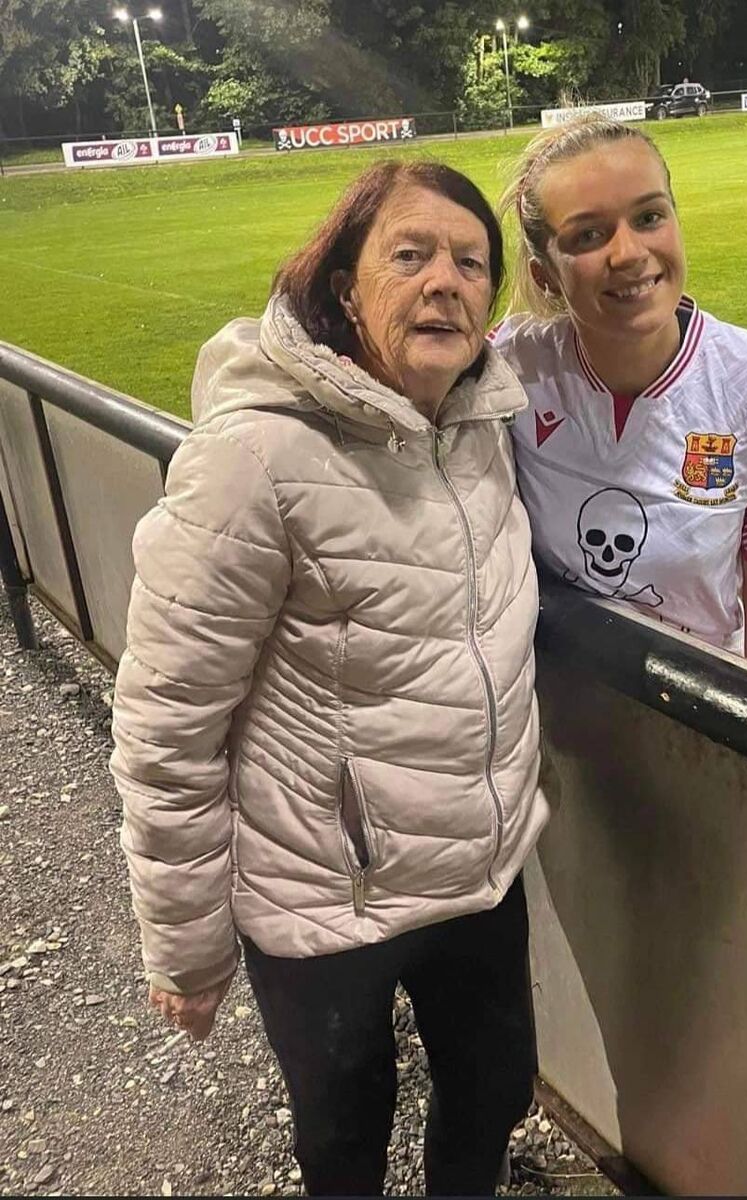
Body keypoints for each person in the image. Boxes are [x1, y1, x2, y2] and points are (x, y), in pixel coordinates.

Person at [110, 159, 549, 1197]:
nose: (446, 279)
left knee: (493, 1093)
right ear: (346, 287)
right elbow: (167, 723)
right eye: (410, 255)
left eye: (470, 262)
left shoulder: (482, 425)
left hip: (476, 871)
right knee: (344, 1140)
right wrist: (185, 947)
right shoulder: (254, 458)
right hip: (324, 893)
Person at [491, 115, 747, 675]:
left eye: (648, 217)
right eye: (588, 236)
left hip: (698, 711)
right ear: (544, 275)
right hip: (552, 701)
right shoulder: (508, 369)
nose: (628, 253)